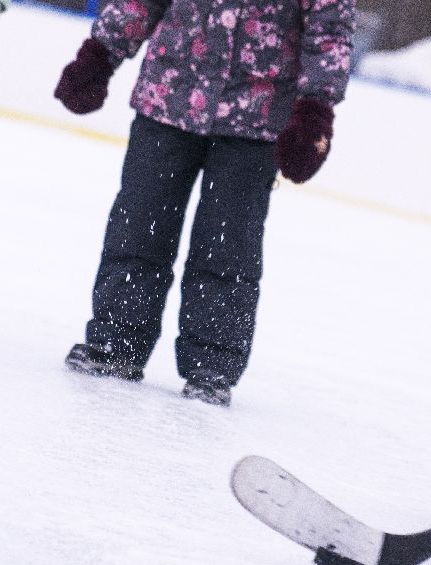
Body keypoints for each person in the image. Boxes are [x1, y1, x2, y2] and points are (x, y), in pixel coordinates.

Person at [55, 0, 356, 406]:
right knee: (138, 225)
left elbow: (329, 29)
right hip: (169, 92)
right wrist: (99, 55)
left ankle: (211, 365)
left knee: (228, 244)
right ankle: (116, 341)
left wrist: (316, 111)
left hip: (257, 114)